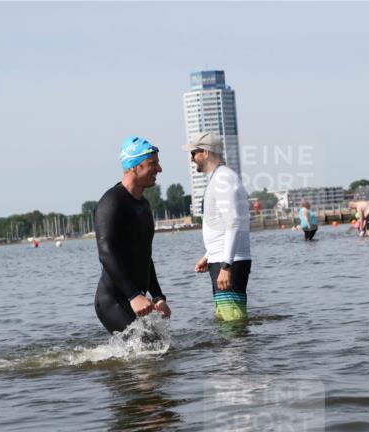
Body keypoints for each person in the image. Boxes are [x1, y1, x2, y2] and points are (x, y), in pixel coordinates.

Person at [93, 135, 171, 333]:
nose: (159, 169)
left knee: (159, 351)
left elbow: (145, 257)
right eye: (153, 164)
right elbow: (106, 252)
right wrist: (133, 295)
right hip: (113, 300)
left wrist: (158, 296)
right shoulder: (112, 201)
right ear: (134, 166)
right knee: (148, 349)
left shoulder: (144, 205)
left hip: (136, 298)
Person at [186, 132, 252, 322]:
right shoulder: (219, 178)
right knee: (226, 321)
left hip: (230, 261)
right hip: (222, 258)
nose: (191, 159)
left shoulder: (224, 179)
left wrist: (226, 265)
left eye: (193, 153)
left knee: (233, 323)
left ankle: (236, 352)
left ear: (205, 153)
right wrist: (209, 255)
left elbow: (234, 223)